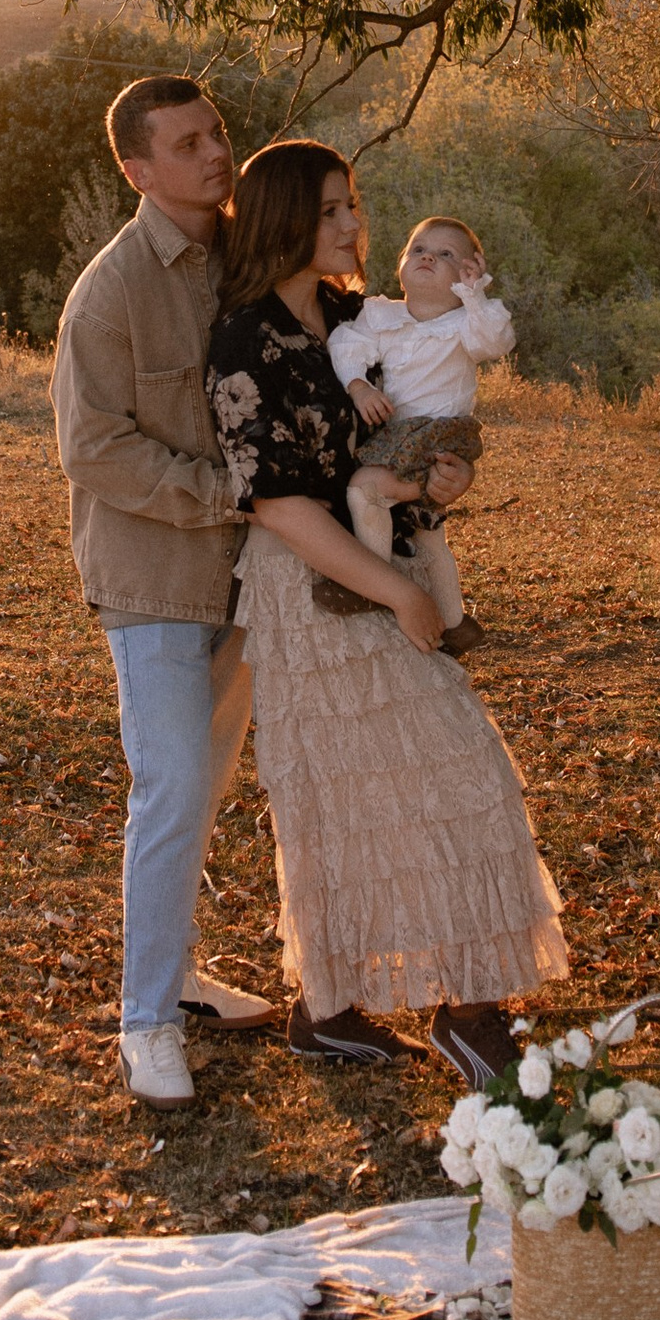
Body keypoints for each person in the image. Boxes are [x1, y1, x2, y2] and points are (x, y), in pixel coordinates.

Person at [206, 140, 569, 1086]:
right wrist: (403, 590)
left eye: (353, 207)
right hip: (312, 578)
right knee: (357, 793)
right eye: (333, 211)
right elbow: (274, 500)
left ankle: (344, 1008)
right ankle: (428, 1012)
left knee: (443, 769)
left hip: (385, 550)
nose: (355, 227)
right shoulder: (245, 338)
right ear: (286, 217)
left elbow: (424, 412)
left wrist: (442, 485)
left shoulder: (352, 313)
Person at [52, 73, 279, 1110]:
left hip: (246, 574)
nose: (213, 152)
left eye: (216, 133)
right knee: (172, 785)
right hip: (151, 577)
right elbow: (91, 448)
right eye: (186, 143)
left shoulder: (249, 260)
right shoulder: (110, 289)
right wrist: (227, 494)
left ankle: (177, 976)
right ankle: (144, 1022)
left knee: (204, 785)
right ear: (137, 170)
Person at [329, 212, 515, 654]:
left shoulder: (466, 325)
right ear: (401, 262)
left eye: (446, 254)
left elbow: (496, 342)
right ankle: (455, 622)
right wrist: (357, 385)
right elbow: (345, 344)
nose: (428, 256)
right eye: (419, 249)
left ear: (467, 272)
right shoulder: (380, 314)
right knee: (429, 531)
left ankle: (371, 586)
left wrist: (474, 294)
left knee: (363, 490)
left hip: (440, 437)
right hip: (401, 435)